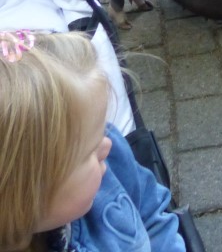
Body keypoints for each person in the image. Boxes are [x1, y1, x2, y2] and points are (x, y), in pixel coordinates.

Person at [0, 30, 185, 252]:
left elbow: (152, 214)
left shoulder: (112, 164)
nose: (108, 145)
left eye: (102, 129)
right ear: (25, 196)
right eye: (89, 151)